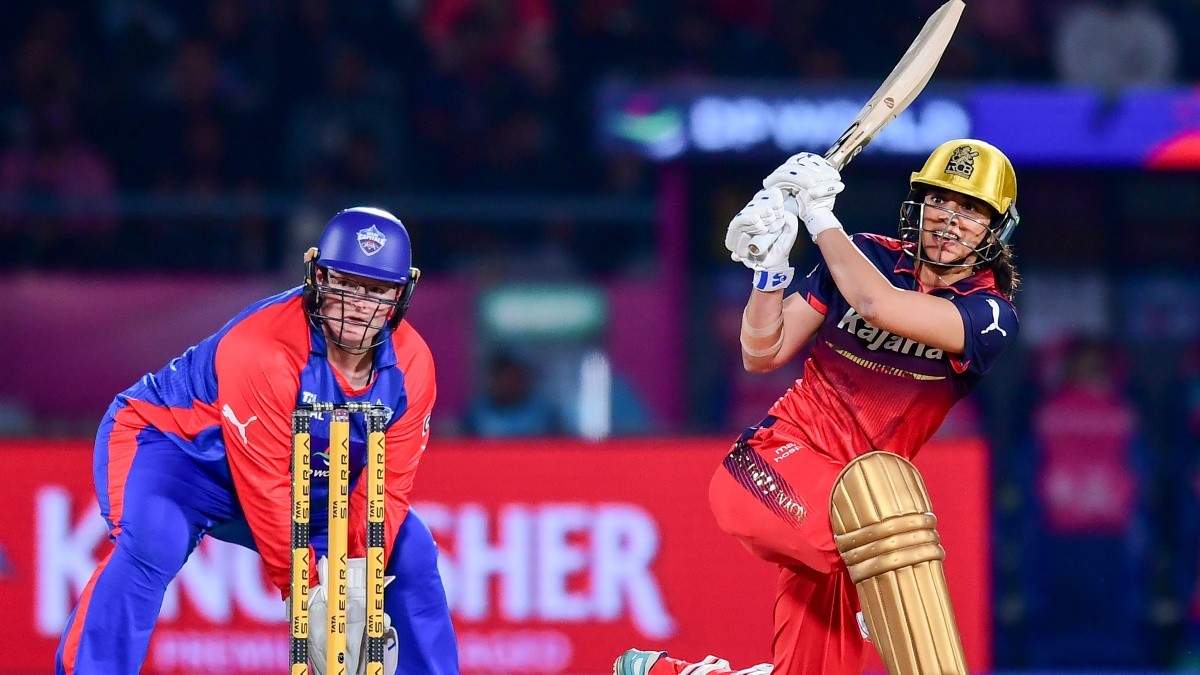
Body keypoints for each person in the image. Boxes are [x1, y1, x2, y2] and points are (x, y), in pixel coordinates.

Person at [616, 139, 1022, 675]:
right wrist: (769, 273)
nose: (950, 220)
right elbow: (762, 353)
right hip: (771, 468)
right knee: (888, 524)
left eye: (971, 210)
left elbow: (877, 304)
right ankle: (882, 588)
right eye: (941, 201)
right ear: (918, 207)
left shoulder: (989, 315)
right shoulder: (864, 256)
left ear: (995, 230)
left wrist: (819, 216)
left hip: (853, 526)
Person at [55, 207, 460, 675]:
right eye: (345, 284)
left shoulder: (413, 365)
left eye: (375, 291)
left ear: (400, 296)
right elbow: (266, 489)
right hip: (173, 451)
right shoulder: (262, 349)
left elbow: (382, 492)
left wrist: (354, 589)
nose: (357, 306)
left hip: (292, 474)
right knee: (154, 541)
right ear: (318, 277)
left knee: (411, 549)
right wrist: (308, 598)